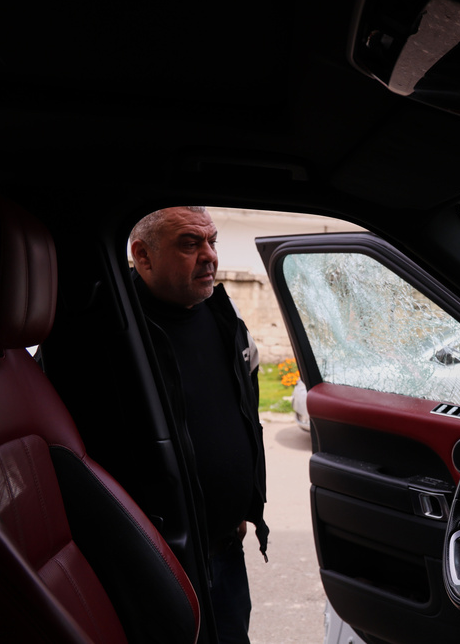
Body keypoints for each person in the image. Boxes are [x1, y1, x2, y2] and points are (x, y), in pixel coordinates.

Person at [129, 206, 269, 644]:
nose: (209, 255)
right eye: (190, 243)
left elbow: (246, 411)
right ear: (143, 255)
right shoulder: (117, 330)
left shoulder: (225, 318)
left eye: (212, 241)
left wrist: (243, 505)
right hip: (155, 562)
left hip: (225, 550)